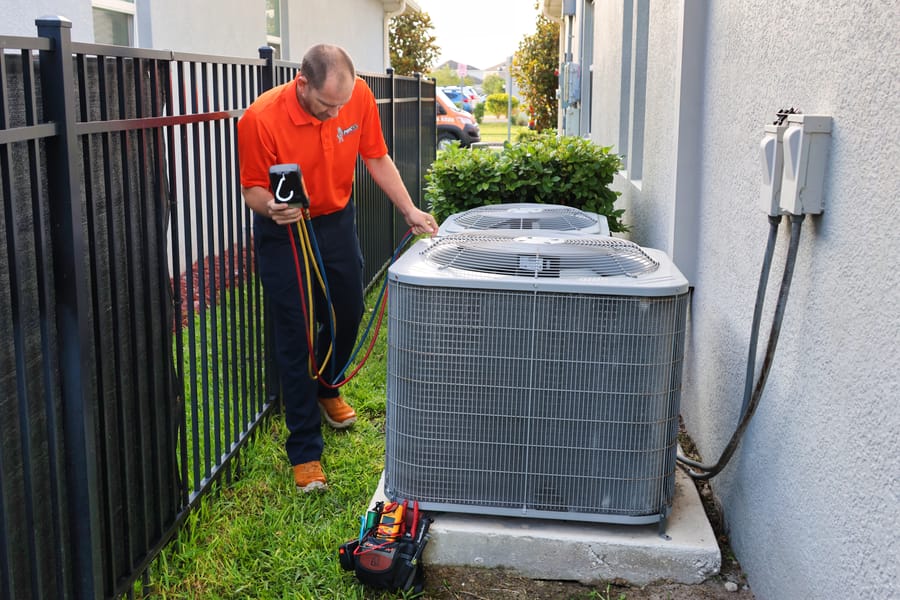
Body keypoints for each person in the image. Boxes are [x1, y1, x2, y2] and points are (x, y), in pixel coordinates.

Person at [237, 44, 436, 492]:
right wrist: (272, 207)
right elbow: (251, 189)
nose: (336, 113)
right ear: (302, 84)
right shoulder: (260, 118)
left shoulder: (357, 95)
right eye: (327, 105)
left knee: (349, 311)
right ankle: (305, 450)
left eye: (342, 104)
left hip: (336, 220)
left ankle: (327, 388)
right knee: (296, 333)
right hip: (286, 230)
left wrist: (409, 210)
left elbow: (376, 156)